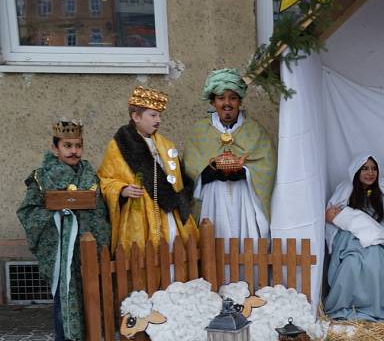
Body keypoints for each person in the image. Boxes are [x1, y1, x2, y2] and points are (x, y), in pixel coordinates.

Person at [17, 119, 110, 341]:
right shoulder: (42, 177)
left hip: (88, 250)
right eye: (67, 145)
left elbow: (102, 210)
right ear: (55, 147)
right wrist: (59, 217)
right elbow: (28, 211)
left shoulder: (90, 175)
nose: (74, 151)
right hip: (60, 252)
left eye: (78, 146)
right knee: (63, 300)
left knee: (92, 296)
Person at [98, 86, 198, 251]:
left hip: (169, 211)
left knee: (175, 250)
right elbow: (105, 180)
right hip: (139, 214)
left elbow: (179, 178)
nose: (158, 120)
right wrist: (122, 190)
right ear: (136, 116)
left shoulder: (166, 145)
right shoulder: (117, 146)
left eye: (159, 115)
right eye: (153, 115)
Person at [183, 68, 277, 243]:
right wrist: (210, 172)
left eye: (233, 97)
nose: (227, 103)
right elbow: (189, 170)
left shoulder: (255, 131)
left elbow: (267, 167)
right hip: (212, 199)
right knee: (214, 246)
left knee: (247, 246)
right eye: (221, 98)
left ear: (240, 101)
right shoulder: (199, 132)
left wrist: (244, 172)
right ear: (213, 102)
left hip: (245, 198)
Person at [324, 155, 384, 321]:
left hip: (377, 244)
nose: (370, 173)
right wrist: (333, 218)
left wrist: (377, 236)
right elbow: (334, 218)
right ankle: (347, 305)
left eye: (373, 168)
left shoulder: (383, 195)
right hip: (349, 243)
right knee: (351, 264)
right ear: (356, 171)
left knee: (376, 264)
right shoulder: (345, 192)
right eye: (365, 168)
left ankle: (376, 306)